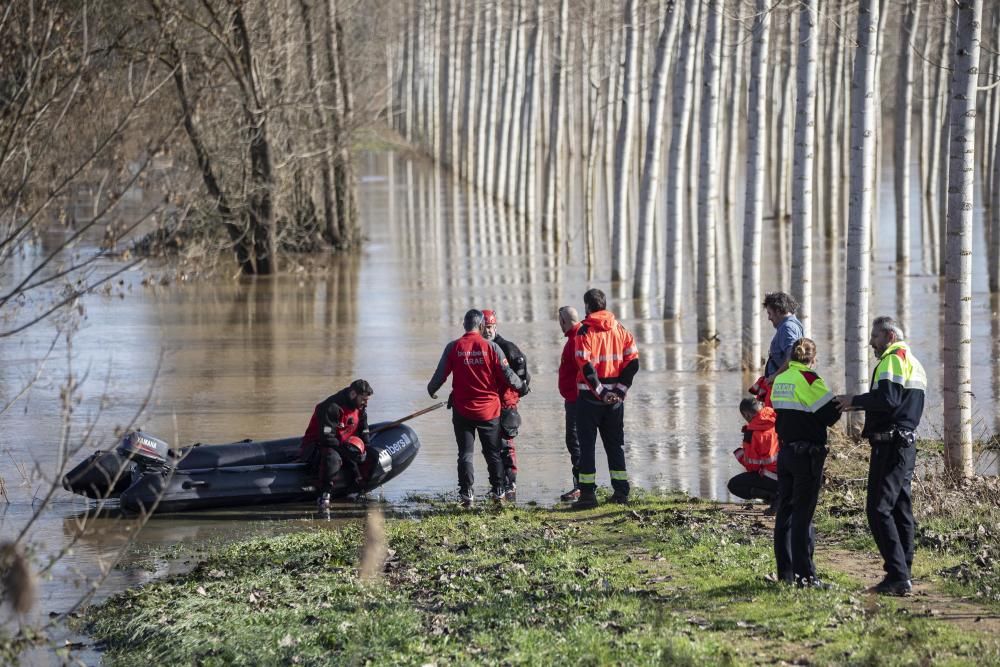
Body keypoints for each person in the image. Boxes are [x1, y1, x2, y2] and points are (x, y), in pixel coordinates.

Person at [834, 316, 926, 596]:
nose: (870, 342)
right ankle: (903, 572)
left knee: (878, 508)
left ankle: (897, 576)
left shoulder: (891, 359)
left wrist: (855, 400)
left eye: (874, 336)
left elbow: (888, 400)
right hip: (904, 445)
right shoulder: (913, 361)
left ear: (888, 335)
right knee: (900, 509)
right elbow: (897, 402)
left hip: (890, 445)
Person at [427, 309, 526, 507]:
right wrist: (522, 387)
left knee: (465, 453)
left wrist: (432, 389)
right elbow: (507, 374)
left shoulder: (453, 347)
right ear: (481, 326)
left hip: (462, 411)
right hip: (489, 411)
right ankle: (499, 491)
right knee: (493, 453)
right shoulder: (491, 348)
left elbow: (440, 374)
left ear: (464, 325)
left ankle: (466, 494)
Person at [770, 338, 840, 587]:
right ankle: (806, 577)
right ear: (813, 359)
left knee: (785, 513)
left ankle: (786, 574)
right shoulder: (810, 379)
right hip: (807, 456)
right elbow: (830, 414)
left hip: (786, 452)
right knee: (803, 514)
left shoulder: (781, 379)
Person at [571, 289, 640, 509]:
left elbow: (586, 366)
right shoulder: (620, 329)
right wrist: (619, 391)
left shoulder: (584, 332)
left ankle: (588, 495)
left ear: (587, 306)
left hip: (590, 399)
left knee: (587, 447)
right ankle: (621, 492)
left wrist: (602, 392)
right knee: (615, 445)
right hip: (614, 402)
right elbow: (633, 362)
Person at [299, 379, 374, 511]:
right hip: (319, 444)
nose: (366, 403)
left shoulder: (360, 407)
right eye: (363, 399)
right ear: (353, 394)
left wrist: (365, 448)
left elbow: (364, 429)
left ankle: (357, 489)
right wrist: (347, 452)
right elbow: (327, 438)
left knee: (371, 454)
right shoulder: (331, 407)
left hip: (344, 442)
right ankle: (324, 494)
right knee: (333, 458)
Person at [480, 309, 531, 501]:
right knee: (490, 448)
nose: (487, 332)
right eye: (484, 328)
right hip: (488, 405)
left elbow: (523, 375)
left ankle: (510, 484)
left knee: (505, 446)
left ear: (496, 327)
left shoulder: (507, 348)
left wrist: (517, 393)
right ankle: (499, 484)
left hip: (506, 405)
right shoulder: (480, 348)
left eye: (490, 328)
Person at [750, 292, 804, 406]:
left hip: (783, 387)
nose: (769, 318)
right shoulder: (793, 324)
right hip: (784, 385)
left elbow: (793, 359)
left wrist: (774, 377)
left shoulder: (787, 328)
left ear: (778, 311)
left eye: (770, 313)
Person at [727, 398, 779, 513]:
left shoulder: (751, 433)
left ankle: (776, 497)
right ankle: (783, 495)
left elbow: (752, 466)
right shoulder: (775, 418)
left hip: (774, 478)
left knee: (734, 485)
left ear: (747, 415)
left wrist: (741, 454)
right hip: (792, 474)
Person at [557, 305, 582, 501]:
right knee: (577, 442)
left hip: (577, 399)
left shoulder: (576, 340)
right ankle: (583, 484)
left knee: (575, 441)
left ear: (564, 321)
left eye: (560, 322)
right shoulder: (577, 337)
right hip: (575, 398)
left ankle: (581, 486)